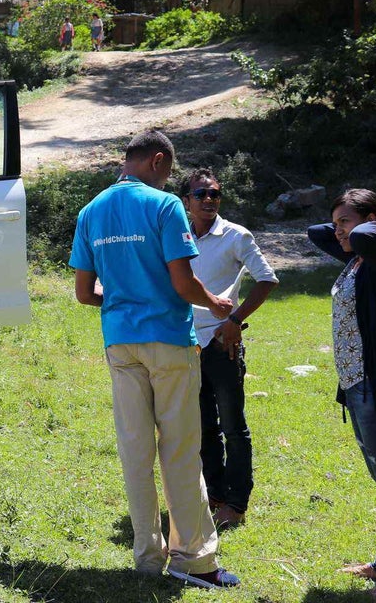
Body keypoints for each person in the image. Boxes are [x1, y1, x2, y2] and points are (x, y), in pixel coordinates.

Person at [70, 130, 240, 589]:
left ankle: (147, 558)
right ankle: (194, 560)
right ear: (158, 161)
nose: (168, 180)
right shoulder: (165, 206)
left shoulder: (90, 211)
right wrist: (217, 304)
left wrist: (120, 296)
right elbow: (184, 284)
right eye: (169, 171)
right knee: (180, 450)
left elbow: (84, 293)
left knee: (135, 450)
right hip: (168, 339)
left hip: (120, 343)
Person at [308, 190, 376, 601]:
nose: (338, 231)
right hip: (358, 384)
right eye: (337, 221)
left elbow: (362, 237)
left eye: (346, 221)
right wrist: (354, 226)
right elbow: (315, 232)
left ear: (371, 223)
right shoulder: (357, 258)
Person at [179, 169, 279, 531]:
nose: (209, 200)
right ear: (186, 201)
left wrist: (235, 320)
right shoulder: (177, 235)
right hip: (187, 342)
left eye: (215, 194)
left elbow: (267, 279)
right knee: (203, 427)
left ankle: (236, 504)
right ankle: (215, 497)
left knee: (233, 426)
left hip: (223, 344)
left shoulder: (236, 235)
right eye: (201, 194)